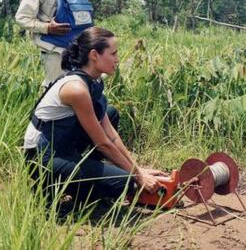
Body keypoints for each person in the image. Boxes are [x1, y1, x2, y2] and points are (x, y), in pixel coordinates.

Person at [24, 27, 165, 211]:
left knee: (111, 112)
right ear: (94, 55)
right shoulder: (76, 88)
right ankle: (52, 192)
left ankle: (86, 182)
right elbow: (103, 143)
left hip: (62, 147)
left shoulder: (94, 80)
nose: (117, 59)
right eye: (113, 53)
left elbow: (109, 133)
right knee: (124, 183)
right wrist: (137, 176)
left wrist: (137, 169)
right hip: (42, 158)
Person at [15, 0, 94, 88]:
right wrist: (47, 27)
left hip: (82, 50)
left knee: (87, 88)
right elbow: (22, 18)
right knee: (57, 89)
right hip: (56, 51)